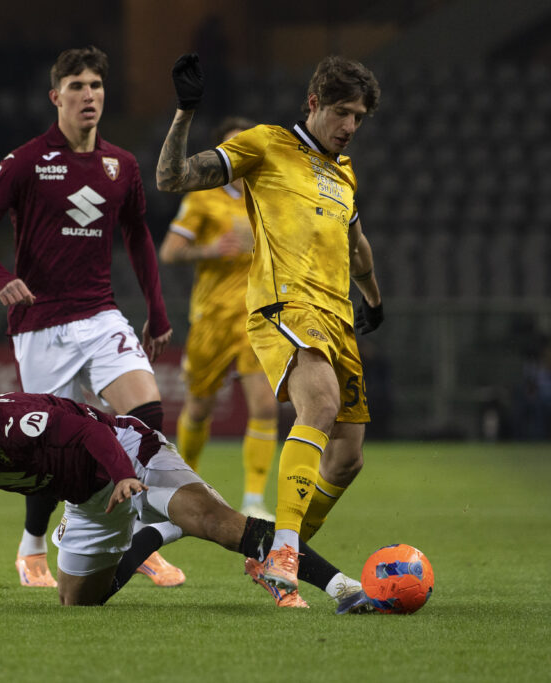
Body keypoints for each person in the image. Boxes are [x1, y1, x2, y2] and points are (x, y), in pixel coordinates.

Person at [156, 54, 384, 602]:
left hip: (337, 315)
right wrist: (186, 112)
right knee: (320, 406)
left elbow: (355, 244)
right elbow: (172, 177)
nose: (350, 126)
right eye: (342, 113)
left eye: (359, 117)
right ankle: (282, 546)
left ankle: (280, 551)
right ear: (314, 104)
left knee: (348, 456)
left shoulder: (344, 172)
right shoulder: (265, 144)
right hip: (285, 307)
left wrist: (374, 298)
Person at [0, 46, 182, 590]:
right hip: (41, 325)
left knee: (146, 416)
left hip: (101, 313)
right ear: (56, 97)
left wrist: (155, 309)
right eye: (77, 86)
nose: (89, 95)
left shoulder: (121, 165)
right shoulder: (27, 161)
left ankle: (129, 534)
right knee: (49, 446)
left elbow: (137, 238)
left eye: (97, 86)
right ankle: (33, 545)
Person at [0, 384, 374, 612]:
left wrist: (125, 476)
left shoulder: (17, 420)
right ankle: (155, 533)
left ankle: (341, 586)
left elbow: (91, 433)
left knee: (219, 524)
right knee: (78, 602)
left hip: (129, 452)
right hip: (86, 497)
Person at [158, 115, 277, 521]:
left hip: (257, 318)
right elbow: (169, 252)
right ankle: (185, 483)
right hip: (211, 320)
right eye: (231, 146)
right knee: (199, 408)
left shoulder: (269, 197)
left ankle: (254, 500)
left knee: (265, 406)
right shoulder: (202, 198)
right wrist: (213, 248)